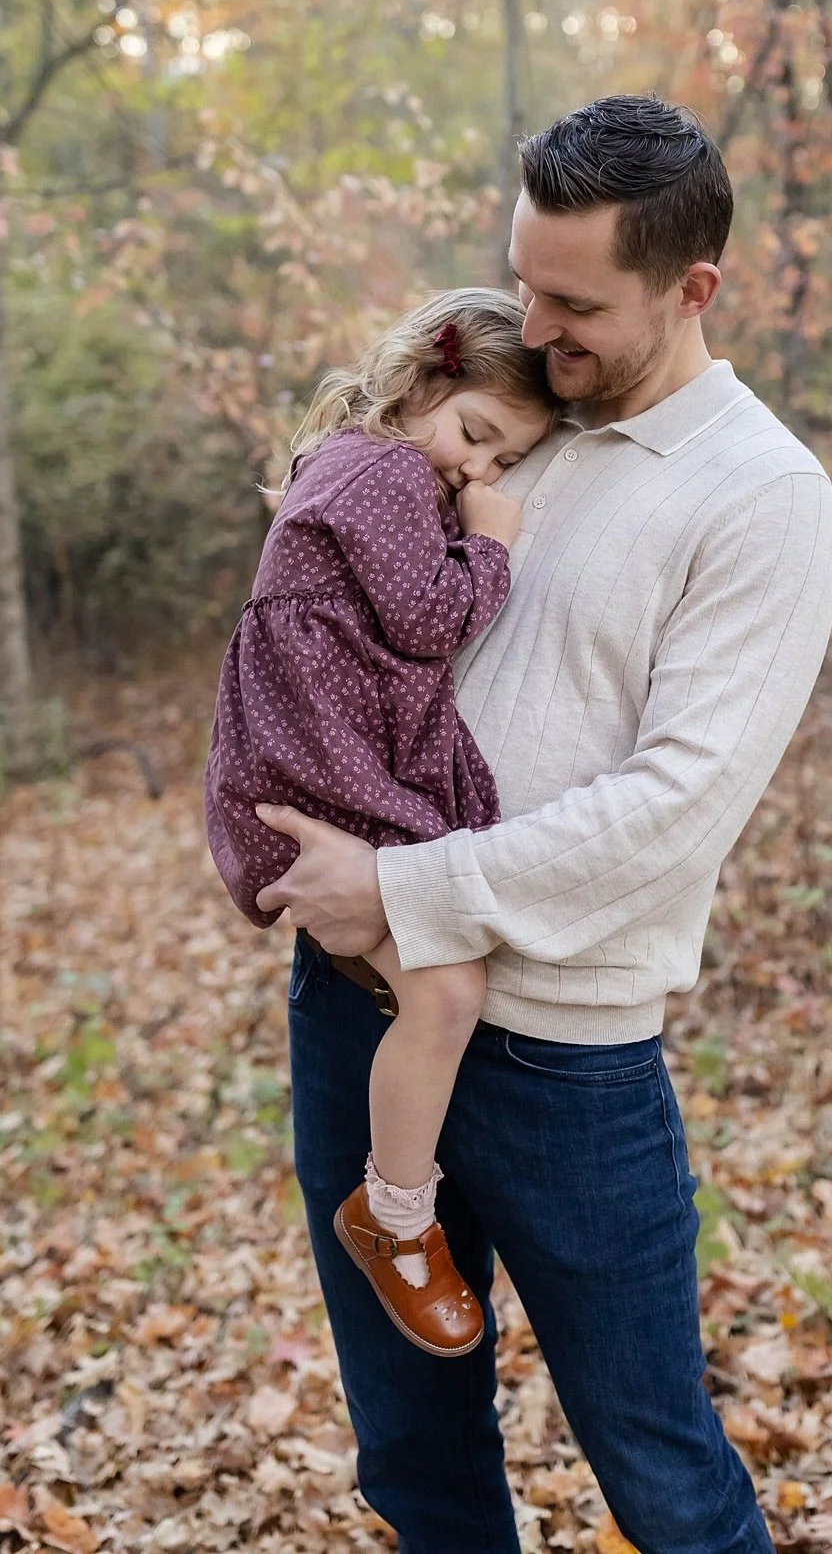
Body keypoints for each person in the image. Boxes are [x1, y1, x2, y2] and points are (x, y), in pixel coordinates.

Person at [255, 96, 832, 1554]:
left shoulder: (761, 496)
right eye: (522, 281)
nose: (536, 324)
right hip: (359, 1012)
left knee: (660, 1472)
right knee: (414, 1461)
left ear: (691, 288)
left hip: (562, 1057)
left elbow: (674, 806)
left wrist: (402, 885)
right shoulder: (511, 421)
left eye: (576, 303)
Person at [205, 287, 563, 1357]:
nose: (475, 472)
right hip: (322, 788)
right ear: (421, 384)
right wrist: (492, 542)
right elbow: (426, 618)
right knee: (446, 990)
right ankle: (395, 1214)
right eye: (476, 435)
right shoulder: (389, 470)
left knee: (434, 987)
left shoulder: (361, 464)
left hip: (321, 772)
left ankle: (399, 1207)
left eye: (502, 462)